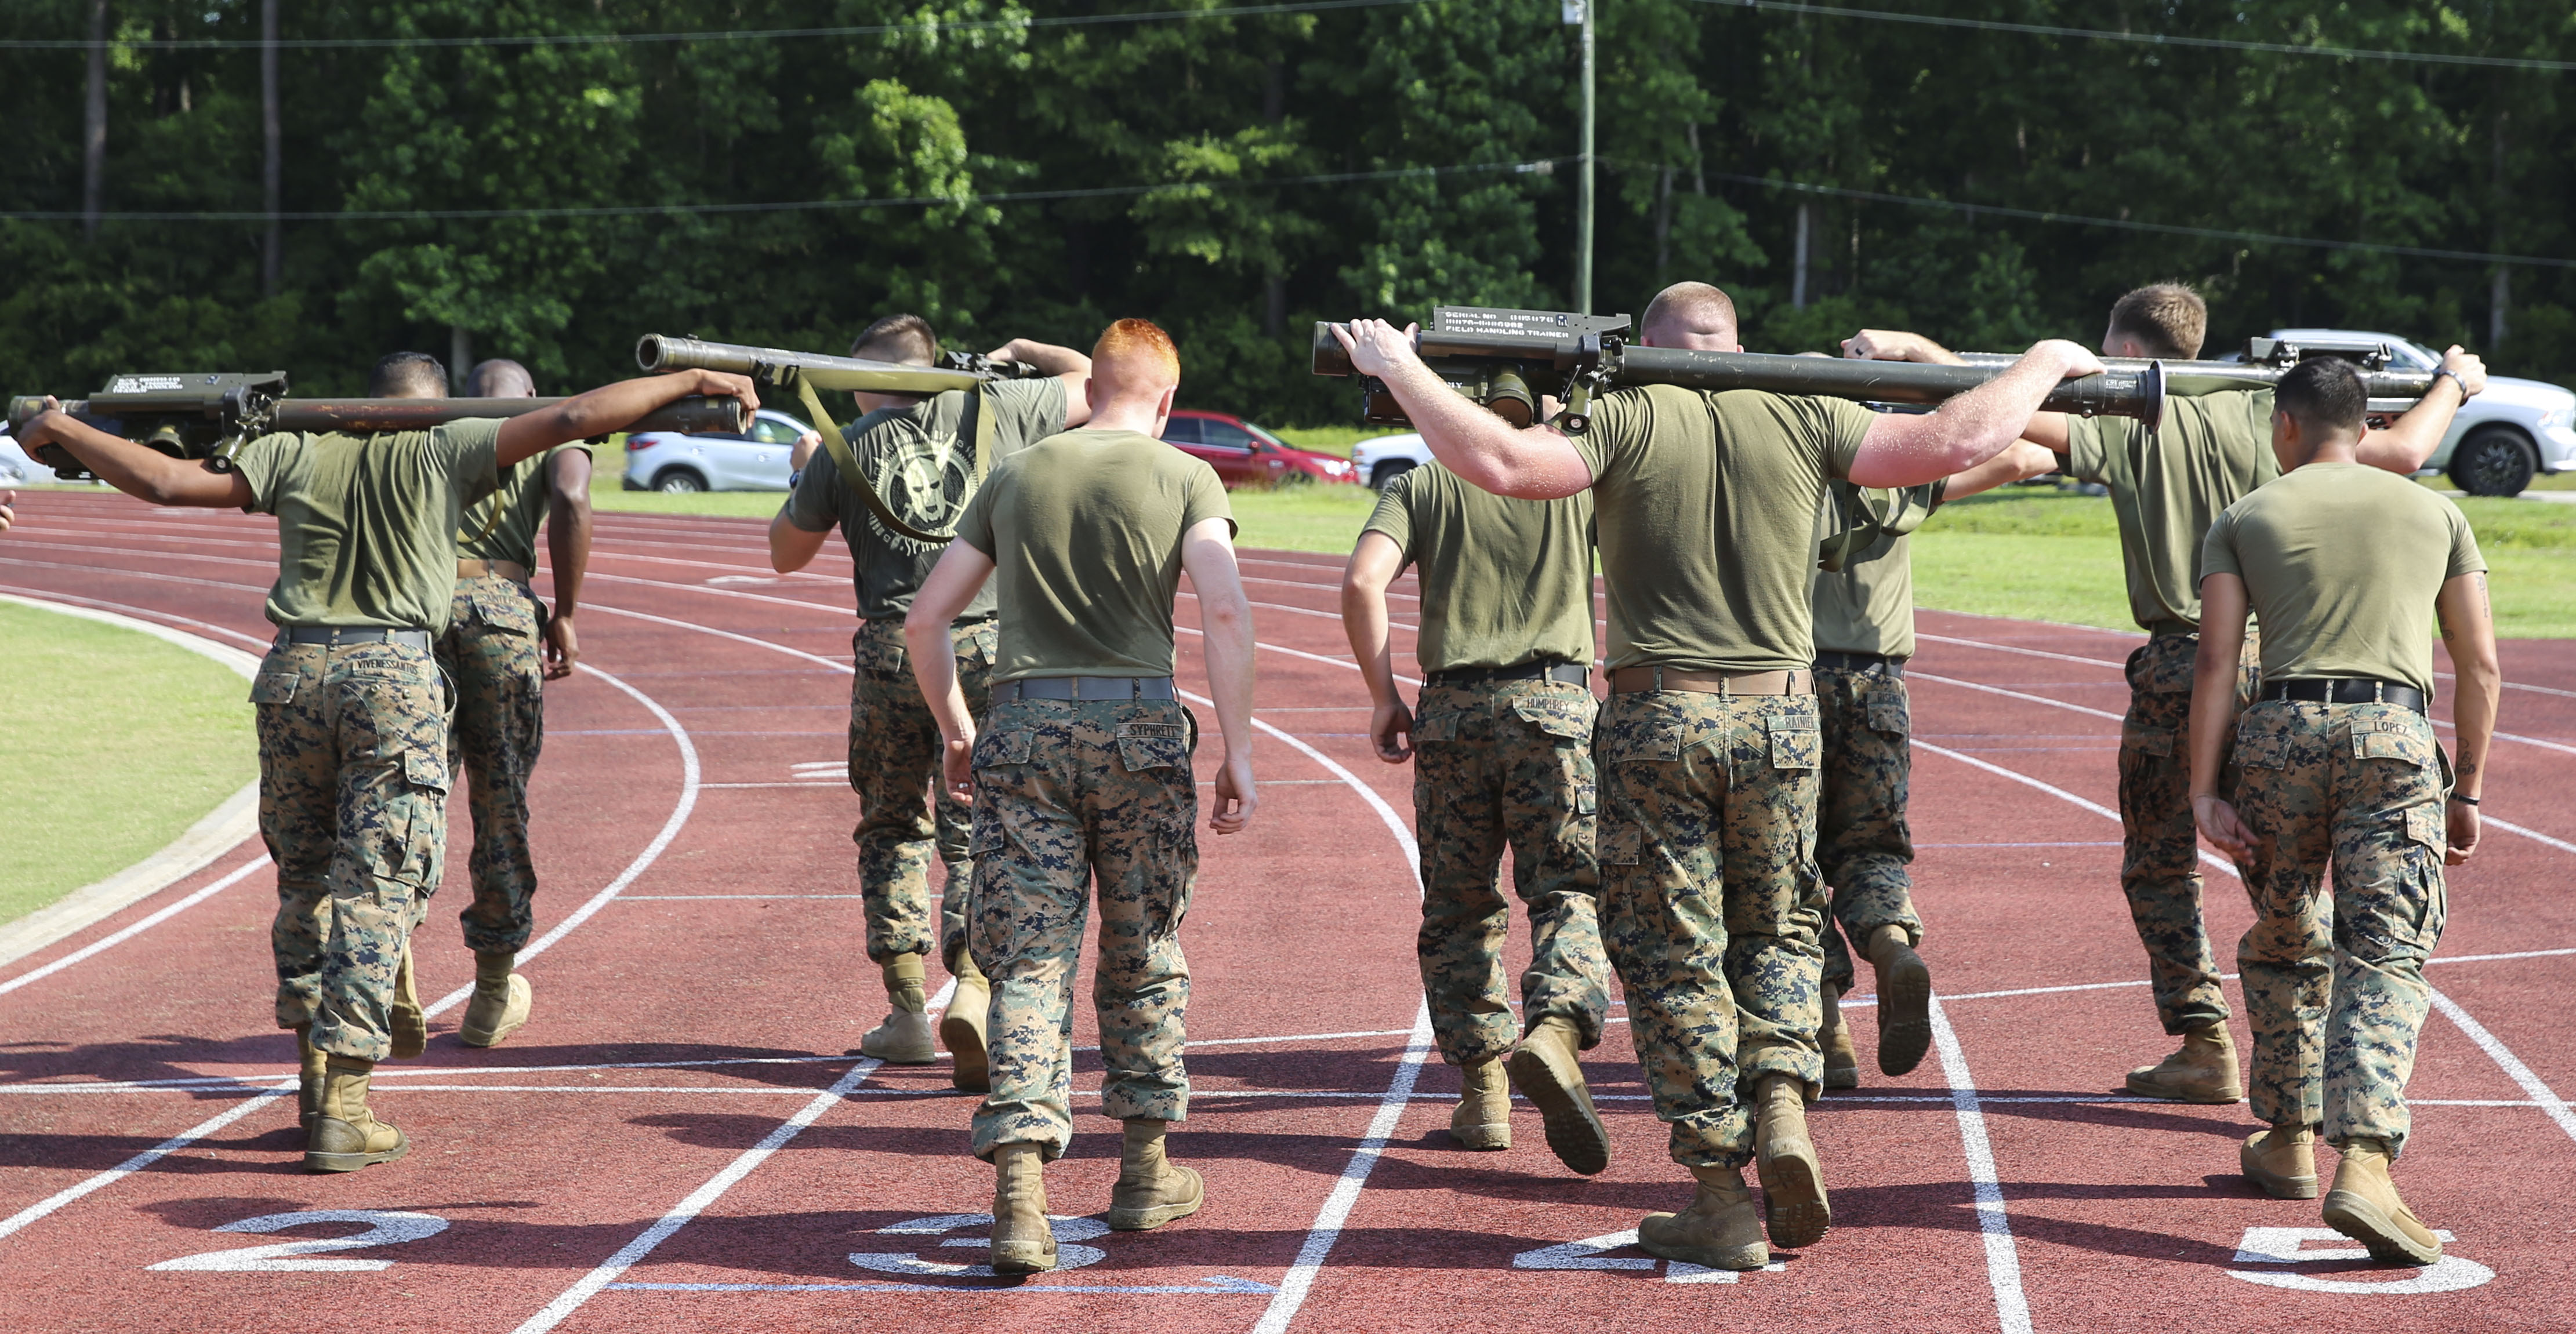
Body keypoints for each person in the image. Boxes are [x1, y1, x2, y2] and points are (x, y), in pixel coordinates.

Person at [1332, 283, 2102, 1270]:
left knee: (1669, 951)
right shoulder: (1805, 408)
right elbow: (1956, 440)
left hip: (1660, 713)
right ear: (1735, 341)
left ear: (1644, 347)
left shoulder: (1624, 414)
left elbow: (1504, 461)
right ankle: (1782, 1103)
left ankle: (1716, 1192)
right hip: (1783, 713)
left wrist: (1397, 366)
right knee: (1779, 920)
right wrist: (2045, 356)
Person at [11, 361, 757, 1173]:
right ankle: (345, 1107)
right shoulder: (447, 451)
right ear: (435, 408)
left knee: (306, 882)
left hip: (294, 676)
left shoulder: (293, 447)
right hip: (391, 680)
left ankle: (310, 1077)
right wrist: (687, 375)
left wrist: (60, 426)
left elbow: (163, 482)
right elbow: (577, 416)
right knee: (378, 889)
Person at [1845, 286, 2471, 1104]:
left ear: (2130, 358)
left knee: (2160, 863)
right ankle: (2308, 1058)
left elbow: (2004, 409)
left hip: (2186, 663)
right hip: (2281, 670)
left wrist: (1914, 349)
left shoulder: (2133, 416)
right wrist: (2454, 381)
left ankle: (2206, 1037)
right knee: (2277, 875)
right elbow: (2403, 451)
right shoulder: (2265, 410)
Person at [904, 318, 1256, 1274]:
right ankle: (1144, 1171)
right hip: (1140, 730)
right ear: (1168, 399)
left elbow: (927, 619)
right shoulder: (1186, 476)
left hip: (1021, 729)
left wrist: (958, 730)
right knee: (1144, 949)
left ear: (1091, 387)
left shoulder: (1018, 473)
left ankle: (1019, 1190)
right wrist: (1239, 750)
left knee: (1027, 961)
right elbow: (1222, 605)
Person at [2190, 355, 2495, 1266]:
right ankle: (2361, 1162)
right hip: (2391, 737)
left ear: (2284, 427)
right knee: (2385, 953)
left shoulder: (2245, 516)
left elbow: (2216, 665)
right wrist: (2467, 789)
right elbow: (2477, 665)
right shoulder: (2437, 512)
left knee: (2286, 932)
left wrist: (2203, 789)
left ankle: (2286, 1138)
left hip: (2278, 731)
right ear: (2364, 428)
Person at [770, 315, 1091, 1091]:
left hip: (891, 648)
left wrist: (804, 471)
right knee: (978, 821)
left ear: (870, 377)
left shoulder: (845, 443)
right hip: (989, 643)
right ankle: (974, 987)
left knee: (890, 822)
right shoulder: (998, 408)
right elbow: (1096, 376)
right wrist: (1019, 353)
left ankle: (908, 1010)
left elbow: (784, 556)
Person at [1340, 461, 1613, 1173]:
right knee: (1568, 890)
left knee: (1458, 906)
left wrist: (1382, 696)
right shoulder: (1578, 474)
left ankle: (1483, 1091)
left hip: (1452, 713)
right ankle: (1553, 1030)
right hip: (1556, 707)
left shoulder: (1425, 484)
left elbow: (1362, 582)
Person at [1807, 442, 2059, 1088]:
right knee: (1872, 851)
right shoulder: (1899, 480)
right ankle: (1891, 947)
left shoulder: (1783, 473)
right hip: (1878, 686)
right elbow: (2025, 458)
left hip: (1789, 681)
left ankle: (1827, 1024)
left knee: (1788, 859)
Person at [394, 355, 596, 1049]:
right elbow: (569, 499)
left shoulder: (433, 428)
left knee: (412, 793)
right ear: (534, 395)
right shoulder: (549, 429)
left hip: (419, 614)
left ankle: (393, 958)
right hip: (503, 616)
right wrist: (565, 611)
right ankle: (490, 992)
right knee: (499, 802)